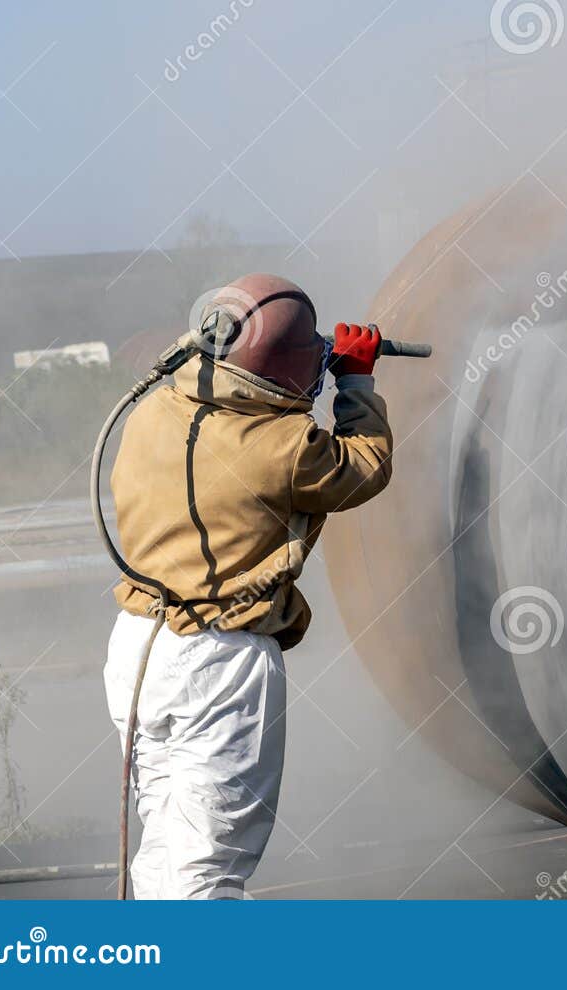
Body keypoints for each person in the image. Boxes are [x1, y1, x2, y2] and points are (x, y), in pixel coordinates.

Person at [102, 273, 393, 899]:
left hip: (137, 648)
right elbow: (364, 466)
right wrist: (358, 381)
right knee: (210, 859)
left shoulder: (152, 411)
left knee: (165, 840)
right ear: (284, 367)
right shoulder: (283, 445)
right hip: (219, 661)